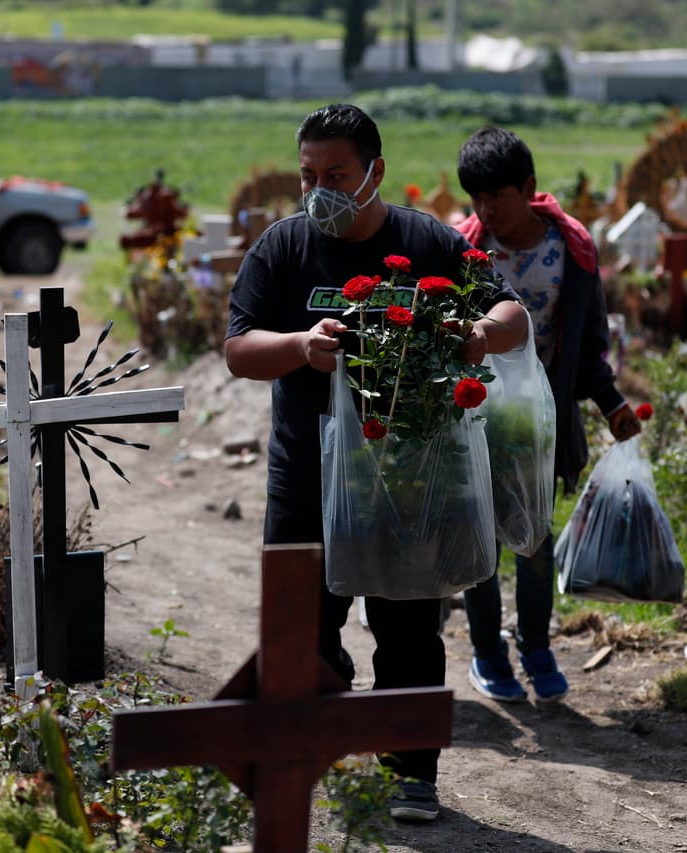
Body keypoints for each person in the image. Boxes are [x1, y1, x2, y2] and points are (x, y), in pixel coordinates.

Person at [225, 105, 527, 822]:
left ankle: (410, 772)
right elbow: (238, 349)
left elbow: (510, 312)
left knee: (408, 630)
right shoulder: (284, 247)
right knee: (301, 632)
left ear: (376, 173)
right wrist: (300, 346)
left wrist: (479, 332)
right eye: (308, 175)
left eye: (336, 175)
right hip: (307, 480)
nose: (318, 190)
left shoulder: (429, 242)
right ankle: (313, 751)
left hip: (409, 484)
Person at [454, 126, 642, 704]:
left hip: (540, 424)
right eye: (476, 198)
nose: (486, 210)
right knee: (480, 541)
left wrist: (611, 404)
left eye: (497, 196)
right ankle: (489, 654)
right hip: (474, 417)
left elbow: (586, 349)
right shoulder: (464, 248)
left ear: (529, 188)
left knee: (534, 538)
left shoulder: (571, 252)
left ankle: (536, 646)